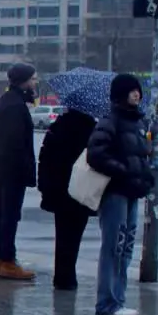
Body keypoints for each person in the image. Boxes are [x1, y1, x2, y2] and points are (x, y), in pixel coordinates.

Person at [86, 73, 154, 315]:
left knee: (125, 248)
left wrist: (145, 177)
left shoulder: (137, 122)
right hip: (115, 192)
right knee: (113, 248)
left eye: (137, 90)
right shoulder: (110, 121)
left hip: (132, 192)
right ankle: (107, 303)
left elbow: (140, 156)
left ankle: (118, 300)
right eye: (131, 90)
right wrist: (122, 170)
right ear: (120, 94)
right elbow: (96, 154)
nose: (136, 94)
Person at [37, 105, 99, 290]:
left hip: (59, 188)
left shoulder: (58, 125)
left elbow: (45, 156)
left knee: (62, 234)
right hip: (81, 189)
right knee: (75, 235)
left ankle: (61, 275)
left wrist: (44, 186)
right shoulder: (90, 128)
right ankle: (68, 276)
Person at [0, 64, 38, 280]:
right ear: (24, 81)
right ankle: (7, 261)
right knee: (9, 215)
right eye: (33, 79)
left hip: (3, 167)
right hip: (12, 168)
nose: (35, 83)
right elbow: (16, 141)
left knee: (2, 214)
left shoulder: (5, 102)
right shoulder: (15, 106)